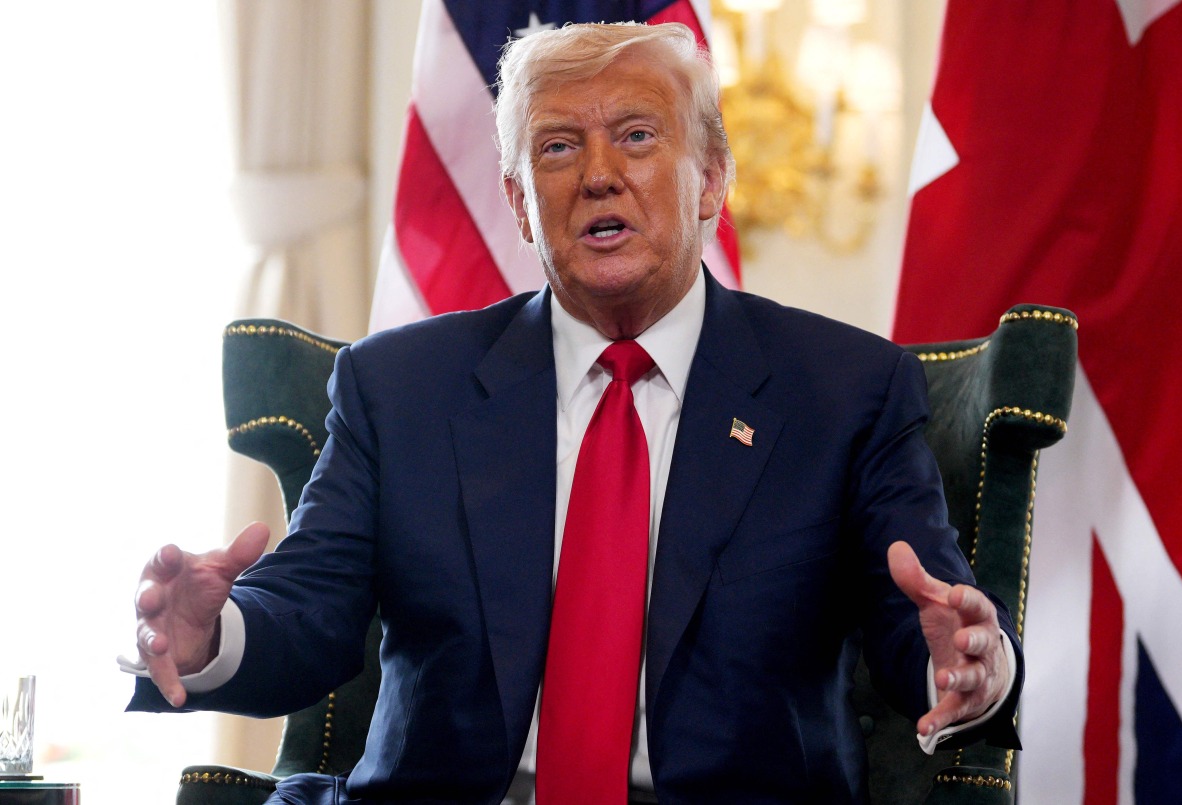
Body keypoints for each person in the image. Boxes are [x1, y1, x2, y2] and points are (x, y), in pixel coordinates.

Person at [126, 22, 1021, 804]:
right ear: (519, 202)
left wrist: (969, 665)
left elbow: (927, 620)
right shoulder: (401, 389)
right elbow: (310, 610)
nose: (599, 175)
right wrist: (212, 633)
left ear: (711, 179)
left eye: (637, 137)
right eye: (557, 148)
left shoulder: (844, 389)